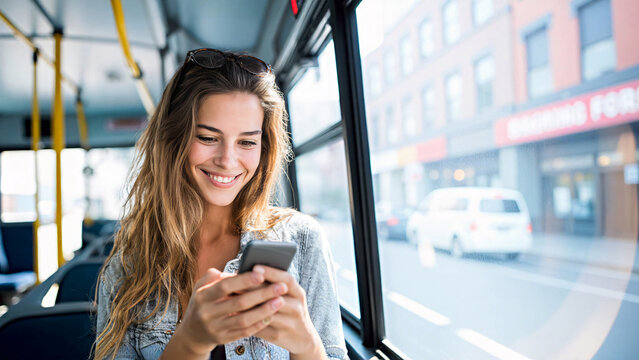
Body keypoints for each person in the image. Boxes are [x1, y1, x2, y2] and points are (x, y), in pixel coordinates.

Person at [94, 48, 348, 360]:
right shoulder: (129, 265)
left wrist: (307, 346)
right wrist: (189, 343)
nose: (227, 161)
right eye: (207, 138)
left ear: (263, 148)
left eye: (246, 142)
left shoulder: (304, 240)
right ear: (175, 140)